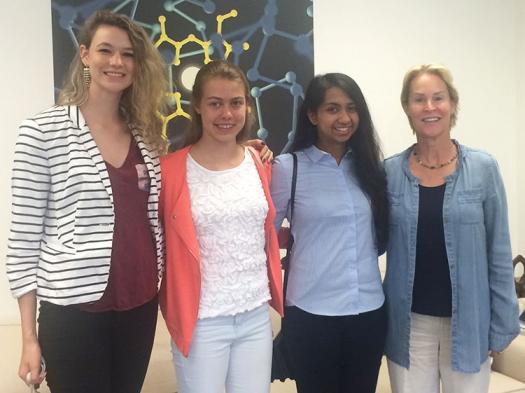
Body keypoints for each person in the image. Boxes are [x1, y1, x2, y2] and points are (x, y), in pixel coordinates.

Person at [6, 10, 168, 393]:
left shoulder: (145, 136)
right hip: (74, 311)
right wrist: (29, 338)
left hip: (139, 303)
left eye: (128, 54)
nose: (117, 62)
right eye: (106, 50)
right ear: (84, 55)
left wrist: (247, 150)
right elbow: (23, 242)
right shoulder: (42, 132)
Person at [383, 64, 520, 393]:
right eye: (419, 99)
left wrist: (503, 323)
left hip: (470, 322)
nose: (429, 107)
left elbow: (499, 252)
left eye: (438, 98)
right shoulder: (389, 173)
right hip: (409, 325)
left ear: (453, 104)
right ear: (407, 108)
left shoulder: (483, 169)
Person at [159, 59, 284, 393]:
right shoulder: (170, 171)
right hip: (202, 322)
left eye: (236, 103)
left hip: (255, 315)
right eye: (215, 103)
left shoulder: (257, 161)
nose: (226, 114)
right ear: (198, 106)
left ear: (247, 105)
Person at [270, 73, 389, 393]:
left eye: (351, 108)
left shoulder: (369, 168)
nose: (345, 118)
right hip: (311, 314)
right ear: (312, 115)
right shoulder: (287, 168)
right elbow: (264, 237)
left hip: (368, 311)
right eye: (332, 109)